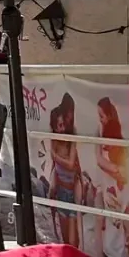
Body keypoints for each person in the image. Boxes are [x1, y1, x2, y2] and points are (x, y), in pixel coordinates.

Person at [97, 97, 129, 257]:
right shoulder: (109, 175)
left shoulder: (119, 172)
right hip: (109, 253)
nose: (105, 147)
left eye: (102, 116)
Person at [48, 94, 84, 249]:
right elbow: (55, 168)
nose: (62, 128)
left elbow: (71, 164)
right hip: (62, 192)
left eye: (63, 124)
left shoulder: (71, 137)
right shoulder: (54, 140)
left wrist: (55, 157)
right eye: (59, 126)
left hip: (72, 190)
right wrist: (52, 189)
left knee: (74, 241)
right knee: (65, 241)